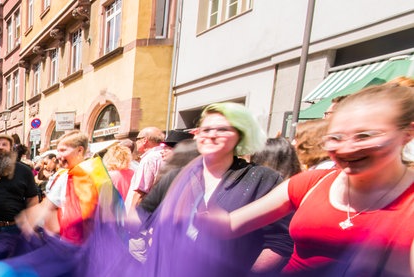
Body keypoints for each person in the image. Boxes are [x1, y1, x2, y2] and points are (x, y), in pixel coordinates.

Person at [203, 84, 414, 276]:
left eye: (365, 136)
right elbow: (228, 225)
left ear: (408, 133)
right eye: (335, 138)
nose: (347, 148)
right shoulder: (312, 182)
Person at [143, 102, 291, 276]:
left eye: (222, 129)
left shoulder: (263, 179)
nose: (212, 135)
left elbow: (280, 242)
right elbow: (141, 217)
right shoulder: (176, 177)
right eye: (205, 130)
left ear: (240, 135)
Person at [17, 132, 93, 244]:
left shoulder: (95, 175)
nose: (57, 156)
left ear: (80, 150)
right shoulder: (66, 176)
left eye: (63, 150)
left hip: (86, 245)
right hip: (72, 242)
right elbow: (48, 205)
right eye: (58, 151)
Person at [125, 127, 168, 209]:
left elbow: (140, 192)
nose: (135, 142)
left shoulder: (150, 158)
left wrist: (131, 215)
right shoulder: (165, 156)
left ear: (145, 140)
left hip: (143, 213)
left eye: (137, 139)